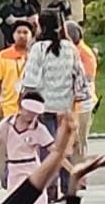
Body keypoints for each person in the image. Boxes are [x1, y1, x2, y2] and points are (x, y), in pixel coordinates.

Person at [23, 10, 91, 194]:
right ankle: (67, 185)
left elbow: (30, 79)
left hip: (44, 106)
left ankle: (50, 188)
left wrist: (25, 97)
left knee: (48, 147)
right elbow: (79, 75)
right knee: (65, 147)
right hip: (65, 106)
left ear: (41, 26)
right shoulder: (70, 48)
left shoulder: (38, 48)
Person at [0, 21, 35, 180]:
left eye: (26, 32)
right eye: (19, 32)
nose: (22, 35)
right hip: (8, 106)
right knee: (3, 143)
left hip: (28, 109)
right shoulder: (3, 55)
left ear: (31, 35)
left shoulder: (34, 55)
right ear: (13, 35)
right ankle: (0, 175)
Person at [67, 20, 98, 158]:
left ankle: (79, 173)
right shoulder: (72, 51)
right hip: (71, 104)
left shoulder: (85, 53)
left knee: (79, 140)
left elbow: (88, 79)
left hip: (83, 105)